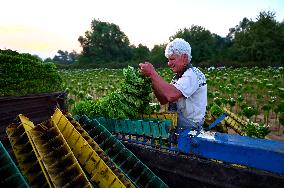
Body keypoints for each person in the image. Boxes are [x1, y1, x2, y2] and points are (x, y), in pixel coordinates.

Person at [139, 38, 207, 131]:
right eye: (168, 60)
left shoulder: (193, 75)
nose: (169, 63)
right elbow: (163, 100)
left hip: (190, 128)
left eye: (172, 59)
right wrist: (152, 80)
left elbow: (171, 96)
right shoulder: (178, 77)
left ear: (184, 58)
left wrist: (152, 73)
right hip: (178, 125)